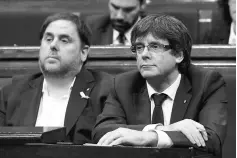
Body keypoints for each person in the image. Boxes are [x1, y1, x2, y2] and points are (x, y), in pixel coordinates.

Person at [92, 14, 228, 157]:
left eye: (154, 46)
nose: (144, 54)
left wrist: (152, 137)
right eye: (139, 47)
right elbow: (102, 132)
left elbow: (212, 140)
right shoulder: (123, 84)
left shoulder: (206, 83)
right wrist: (165, 129)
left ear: (178, 55)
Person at [0, 12, 113, 144]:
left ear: (83, 52)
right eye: (48, 39)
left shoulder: (105, 91)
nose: (53, 45)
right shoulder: (12, 92)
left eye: (64, 40)